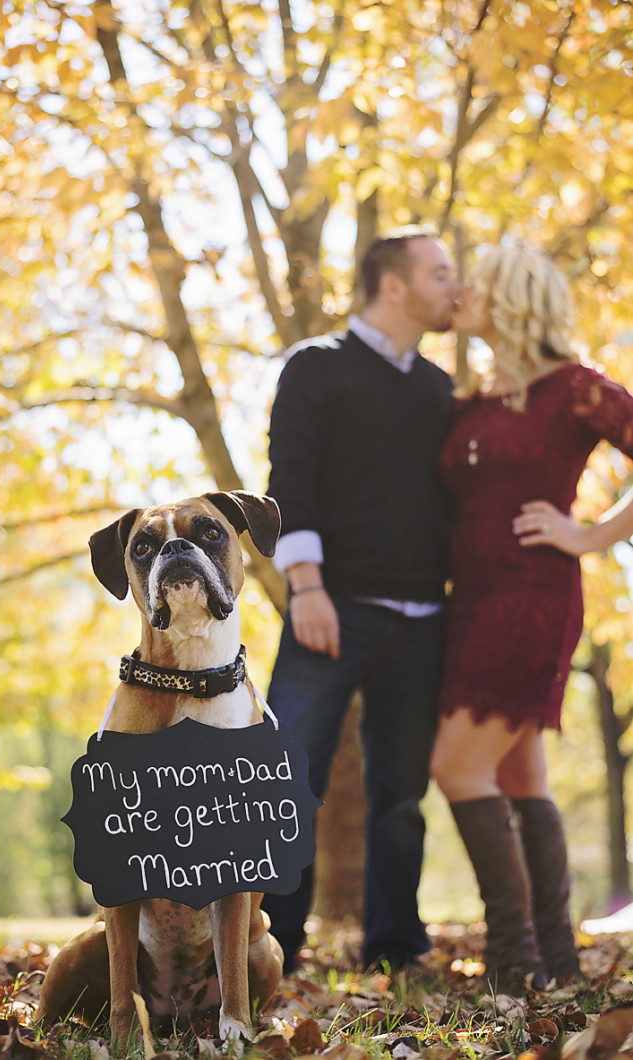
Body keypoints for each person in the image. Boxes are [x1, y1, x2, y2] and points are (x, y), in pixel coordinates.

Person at [430, 244, 633, 990]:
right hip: (469, 602)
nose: (461, 293)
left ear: (511, 297)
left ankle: (512, 962)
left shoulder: (577, 390)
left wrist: (588, 535)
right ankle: (552, 962)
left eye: (475, 282)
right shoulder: (475, 398)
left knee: (454, 765)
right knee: (518, 775)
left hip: (532, 600)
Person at [262, 229, 461, 972]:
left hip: (421, 621)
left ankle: (393, 946)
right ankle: (274, 944)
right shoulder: (316, 367)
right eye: (441, 274)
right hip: (329, 606)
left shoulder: (439, 388)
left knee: (400, 796)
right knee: (288, 775)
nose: (455, 288)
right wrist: (305, 585)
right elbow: (290, 479)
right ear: (394, 285)